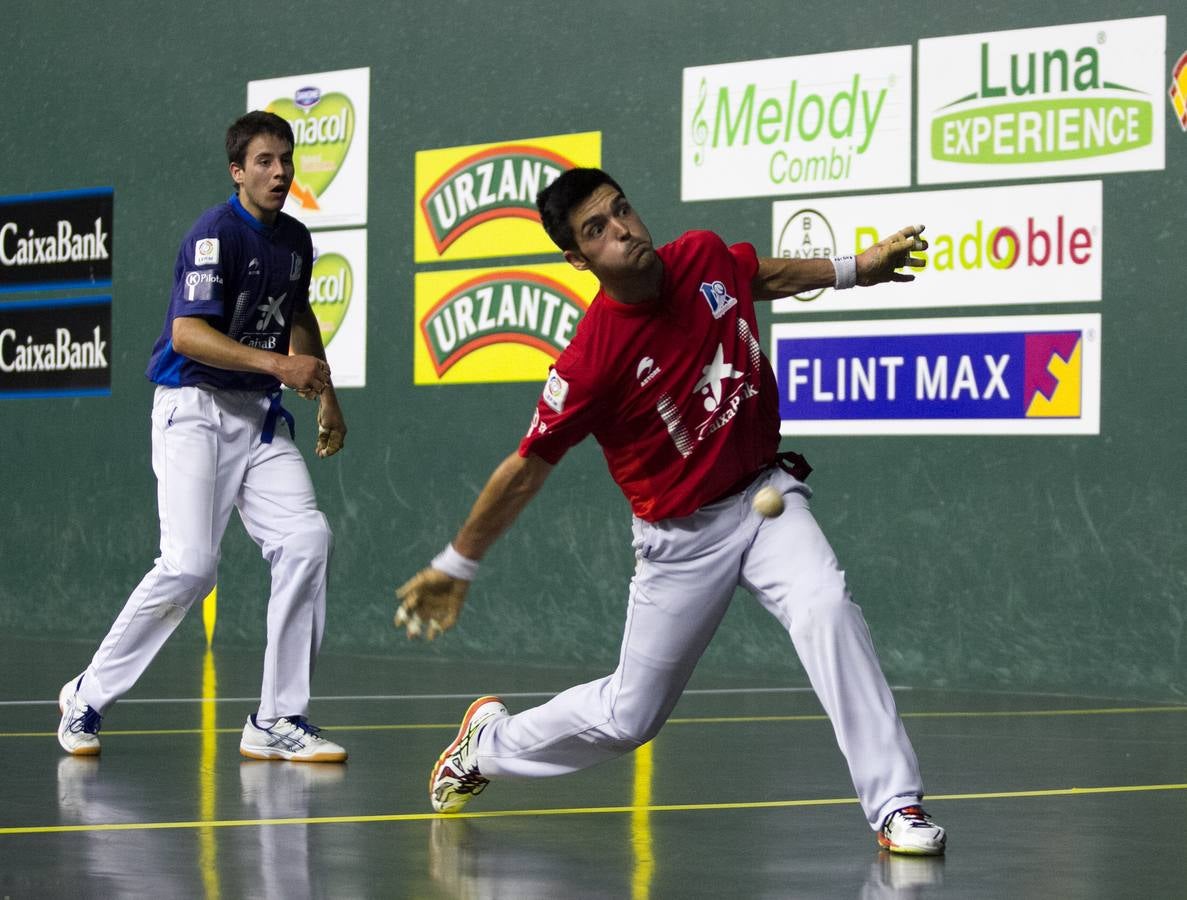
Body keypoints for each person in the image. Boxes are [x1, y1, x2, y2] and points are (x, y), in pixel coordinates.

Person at [395, 168, 946, 854]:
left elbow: (756, 277)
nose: (623, 229)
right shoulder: (591, 363)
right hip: (679, 539)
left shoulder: (702, 256)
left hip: (765, 498)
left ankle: (894, 805)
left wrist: (852, 269)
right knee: (631, 717)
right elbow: (527, 466)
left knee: (826, 606)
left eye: (621, 210)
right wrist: (458, 561)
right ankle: (489, 744)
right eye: (597, 229)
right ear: (578, 259)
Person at [57, 111, 348, 763]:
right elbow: (187, 332)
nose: (280, 172)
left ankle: (277, 718)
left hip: (259, 416)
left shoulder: (295, 241)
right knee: (190, 565)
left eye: (287, 159)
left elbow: (296, 314)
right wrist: (280, 365)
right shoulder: (214, 235)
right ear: (237, 171)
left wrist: (326, 396)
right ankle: (86, 696)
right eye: (266, 162)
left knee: (307, 538)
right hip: (192, 407)